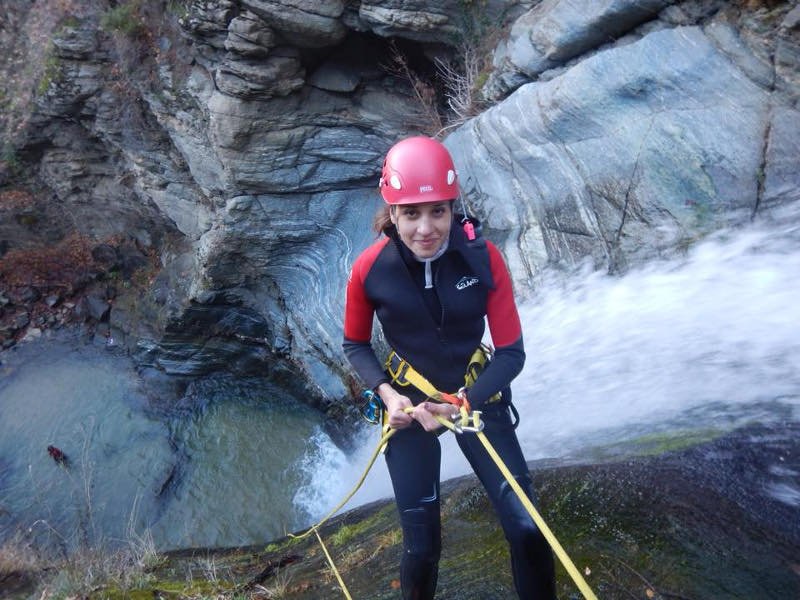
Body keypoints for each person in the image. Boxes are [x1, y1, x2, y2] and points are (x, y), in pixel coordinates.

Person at [342, 136, 557, 599]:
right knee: (422, 548)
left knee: (528, 529)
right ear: (392, 213)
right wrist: (387, 394)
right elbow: (355, 344)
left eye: (438, 211)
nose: (426, 228)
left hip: (474, 395)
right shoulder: (369, 270)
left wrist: (464, 402)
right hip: (408, 402)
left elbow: (511, 353)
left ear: (452, 208)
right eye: (411, 214)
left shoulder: (482, 258)